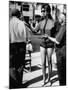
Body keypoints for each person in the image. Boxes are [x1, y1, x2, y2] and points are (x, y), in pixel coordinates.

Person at [30, 4, 55, 85]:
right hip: (42, 44)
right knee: (43, 62)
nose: (42, 12)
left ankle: (49, 79)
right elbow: (34, 31)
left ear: (47, 11)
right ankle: (44, 79)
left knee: (49, 61)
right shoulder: (41, 22)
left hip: (50, 44)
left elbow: (56, 35)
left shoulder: (53, 22)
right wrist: (30, 25)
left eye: (43, 11)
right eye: (41, 11)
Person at [46, 13, 66, 86]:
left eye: (59, 18)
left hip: (61, 51)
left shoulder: (64, 27)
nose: (58, 19)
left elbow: (57, 41)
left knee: (61, 73)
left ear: (62, 19)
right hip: (64, 51)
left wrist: (48, 37)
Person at [9, 9, 27, 88]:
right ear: (18, 15)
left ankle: (13, 84)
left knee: (12, 65)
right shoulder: (22, 23)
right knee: (20, 65)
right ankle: (19, 84)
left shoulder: (9, 23)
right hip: (21, 46)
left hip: (12, 45)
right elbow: (26, 36)